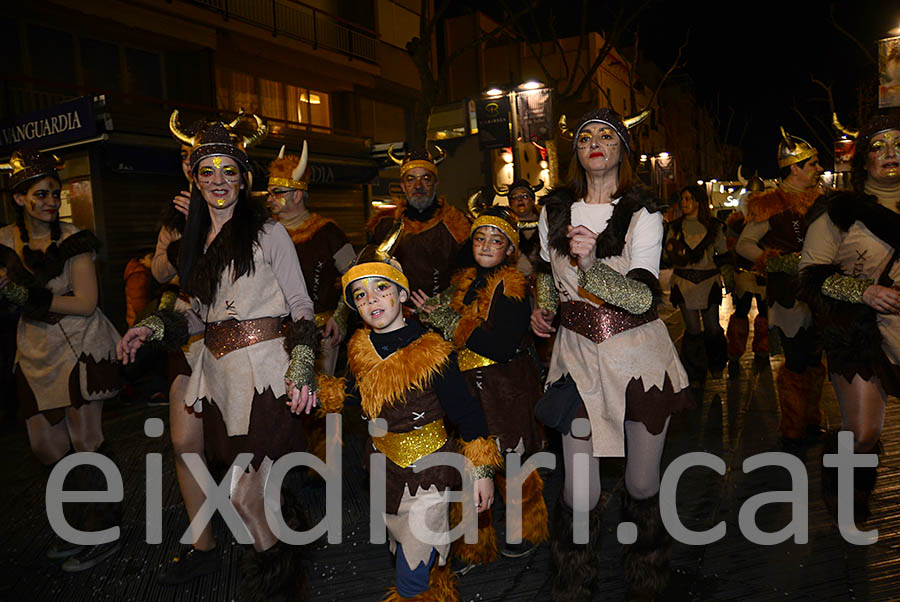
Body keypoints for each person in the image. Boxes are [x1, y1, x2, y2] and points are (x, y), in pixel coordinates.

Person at [117, 117, 320, 601]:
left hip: (268, 376)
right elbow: (195, 319)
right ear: (195, 178)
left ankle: (279, 587)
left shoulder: (269, 231)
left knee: (242, 494)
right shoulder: (196, 243)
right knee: (251, 494)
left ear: (243, 178)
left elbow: (302, 305)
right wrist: (148, 327)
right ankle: (284, 564)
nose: (218, 181)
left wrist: (303, 364)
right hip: (221, 379)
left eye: (228, 171)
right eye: (207, 172)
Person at [532, 109, 692, 601]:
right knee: (578, 492)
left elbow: (643, 297)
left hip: (638, 359)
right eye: (585, 137)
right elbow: (543, 269)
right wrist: (542, 308)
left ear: (623, 148)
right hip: (576, 361)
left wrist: (590, 265)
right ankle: (573, 586)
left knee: (642, 486)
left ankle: (646, 582)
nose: (595, 143)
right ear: (575, 151)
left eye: (607, 135)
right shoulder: (554, 210)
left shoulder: (643, 211)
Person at [331, 240, 501, 601]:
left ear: (401, 293)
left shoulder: (432, 350)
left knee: (411, 573)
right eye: (360, 295)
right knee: (407, 547)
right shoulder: (360, 348)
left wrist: (483, 473)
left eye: (381, 288)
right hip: (385, 472)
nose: (371, 299)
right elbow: (349, 392)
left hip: (430, 475)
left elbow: (468, 413)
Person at [0, 149, 122, 571]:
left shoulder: (75, 240)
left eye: (55, 192)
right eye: (40, 194)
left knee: (86, 441)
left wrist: (31, 297)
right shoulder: (5, 242)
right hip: (33, 354)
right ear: (19, 198)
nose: (51, 201)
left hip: (79, 348)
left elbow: (87, 303)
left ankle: (101, 530)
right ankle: (76, 525)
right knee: (47, 447)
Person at [412, 206, 547, 573]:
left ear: (509, 249)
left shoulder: (514, 286)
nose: (486, 245)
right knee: (470, 466)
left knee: (511, 465)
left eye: (496, 240)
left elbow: (500, 346)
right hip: (468, 385)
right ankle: (474, 547)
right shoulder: (462, 282)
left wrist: (447, 319)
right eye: (480, 238)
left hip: (505, 388)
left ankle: (525, 532)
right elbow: (439, 321)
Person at [799, 113, 900, 523]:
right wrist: (865, 291)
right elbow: (810, 277)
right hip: (860, 334)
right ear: (863, 160)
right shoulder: (838, 212)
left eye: (899, 143)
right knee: (863, 434)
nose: (890, 153)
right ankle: (845, 490)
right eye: (878, 146)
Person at [150, 111, 220, 585]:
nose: (198, 169)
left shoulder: (250, 212)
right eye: (190, 160)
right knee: (183, 442)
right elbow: (159, 271)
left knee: (248, 447)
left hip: (239, 341)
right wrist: (183, 230)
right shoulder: (174, 215)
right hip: (188, 336)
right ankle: (204, 545)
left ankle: (270, 537)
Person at [736, 127, 825, 450]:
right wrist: (777, 261)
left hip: (818, 294)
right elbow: (745, 245)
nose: (817, 169)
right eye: (812, 164)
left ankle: (812, 418)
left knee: (815, 358)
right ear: (795, 168)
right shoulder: (769, 203)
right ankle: (792, 426)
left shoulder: (821, 202)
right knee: (797, 359)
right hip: (788, 296)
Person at [267, 141, 355, 375]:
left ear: (297, 195)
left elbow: (356, 277)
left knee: (321, 400)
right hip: (274, 333)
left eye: (278, 192)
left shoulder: (328, 232)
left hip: (320, 331)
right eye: (269, 192)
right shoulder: (266, 234)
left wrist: (340, 317)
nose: (270, 198)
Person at [368, 146, 470, 298]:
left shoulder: (458, 225)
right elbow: (368, 273)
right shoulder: (383, 226)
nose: (418, 186)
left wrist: (443, 307)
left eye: (426, 179)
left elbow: (470, 274)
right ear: (402, 186)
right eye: (411, 179)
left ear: (436, 184)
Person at [664, 185, 730, 384]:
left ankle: (716, 364)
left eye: (688, 199)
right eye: (682, 199)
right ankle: (695, 372)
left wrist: (731, 279)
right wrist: (672, 252)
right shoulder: (674, 227)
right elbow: (667, 255)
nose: (684, 203)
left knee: (712, 327)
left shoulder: (715, 227)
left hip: (709, 282)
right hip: (683, 282)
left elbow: (723, 255)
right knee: (692, 329)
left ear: (698, 202)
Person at [724, 173, 769, 375]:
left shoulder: (769, 220)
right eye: (751, 195)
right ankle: (734, 352)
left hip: (762, 272)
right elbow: (731, 249)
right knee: (741, 311)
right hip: (743, 272)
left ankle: (763, 350)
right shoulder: (736, 222)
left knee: (765, 312)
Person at [495, 179, 543, 276]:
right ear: (510, 203)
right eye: (515, 197)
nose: (520, 200)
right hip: (514, 281)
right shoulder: (503, 227)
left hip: (541, 280)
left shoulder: (546, 224)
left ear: (533, 201)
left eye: (525, 196)